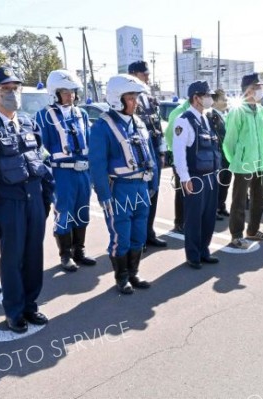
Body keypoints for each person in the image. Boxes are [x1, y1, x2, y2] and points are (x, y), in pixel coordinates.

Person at [0, 67, 54, 333]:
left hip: (34, 202)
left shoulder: (29, 122)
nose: (13, 94)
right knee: (12, 259)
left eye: (16, 88)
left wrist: (47, 199)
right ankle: (14, 311)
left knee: (34, 255)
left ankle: (30, 305)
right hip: (7, 205)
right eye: (6, 89)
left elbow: (42, 162)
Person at [89, 74, 158, 294]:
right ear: (117, 98)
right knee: (121, 236)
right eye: (130, 97)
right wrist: (104, 196)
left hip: (141, 186)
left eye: (136, 97)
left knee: (139, 234)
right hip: (119, 188)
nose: (135, 102)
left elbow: (151, 155)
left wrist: (153, 183)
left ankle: (134, 272)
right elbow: (97, 165)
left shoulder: (138, 123)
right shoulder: (103, 126)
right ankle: (121, 277)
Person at [35, 69, 97, 272]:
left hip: (83, 172)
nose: (70, 96)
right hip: (61, 173)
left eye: (73, 91)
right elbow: (40, 148)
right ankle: (65, 254)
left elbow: (89, 142)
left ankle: (80, 250)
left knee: (82, 210)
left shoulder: (82, 113)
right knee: (64, 212)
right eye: (65, 91)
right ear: (54, 93)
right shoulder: (44, 115)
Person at [172, 81, 221, 269]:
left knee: (208, 216)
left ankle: (204, 251)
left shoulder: (206, 118)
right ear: (196, 98)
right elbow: (179, 153)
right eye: (206, 95)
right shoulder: (184, 121)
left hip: (211, 175)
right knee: (194, 218)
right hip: (195, 177)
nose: (210, 99)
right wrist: (184, 178)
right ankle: (193, 255)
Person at [223, 73, 263, 249]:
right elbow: (229, 141)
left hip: (259, 162)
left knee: (258, 199)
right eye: (258, 87)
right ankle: (236, 235)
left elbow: (261, 137)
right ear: (249, 90)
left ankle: (253, 230)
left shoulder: (260, 111)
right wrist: (237, 160)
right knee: (239, 201)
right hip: (243, 164)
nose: (261, 90)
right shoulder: (238, 110)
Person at [129, 60, 168, 248]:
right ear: (134, 74)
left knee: (154, 192)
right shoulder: (127, 98)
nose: (148, 77)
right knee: (141, 195)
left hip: (153, 148)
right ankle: (138, 237)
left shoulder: (149, 97)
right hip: (139, 152)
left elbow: (157, 125)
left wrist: (161, 151)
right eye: (144, 74)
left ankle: (149, 232)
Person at [165, 99, 190, 233]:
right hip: (181, 159)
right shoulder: (179, 112)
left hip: (194, 160)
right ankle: (179, 222)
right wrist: (178, 153)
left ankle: (189, 221)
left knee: (192, 192)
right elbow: (169, 135)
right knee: (181, 192)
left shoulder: (200, 112)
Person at [207, 88, 231, 219]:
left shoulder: (224, 115)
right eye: (223, 99)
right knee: (217, 184)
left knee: (225, 183)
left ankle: (221, 206)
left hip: (227, 156)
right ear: (215, 101)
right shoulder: (211, 116)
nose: (226, 101)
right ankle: (214, 209)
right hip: (219, 155)